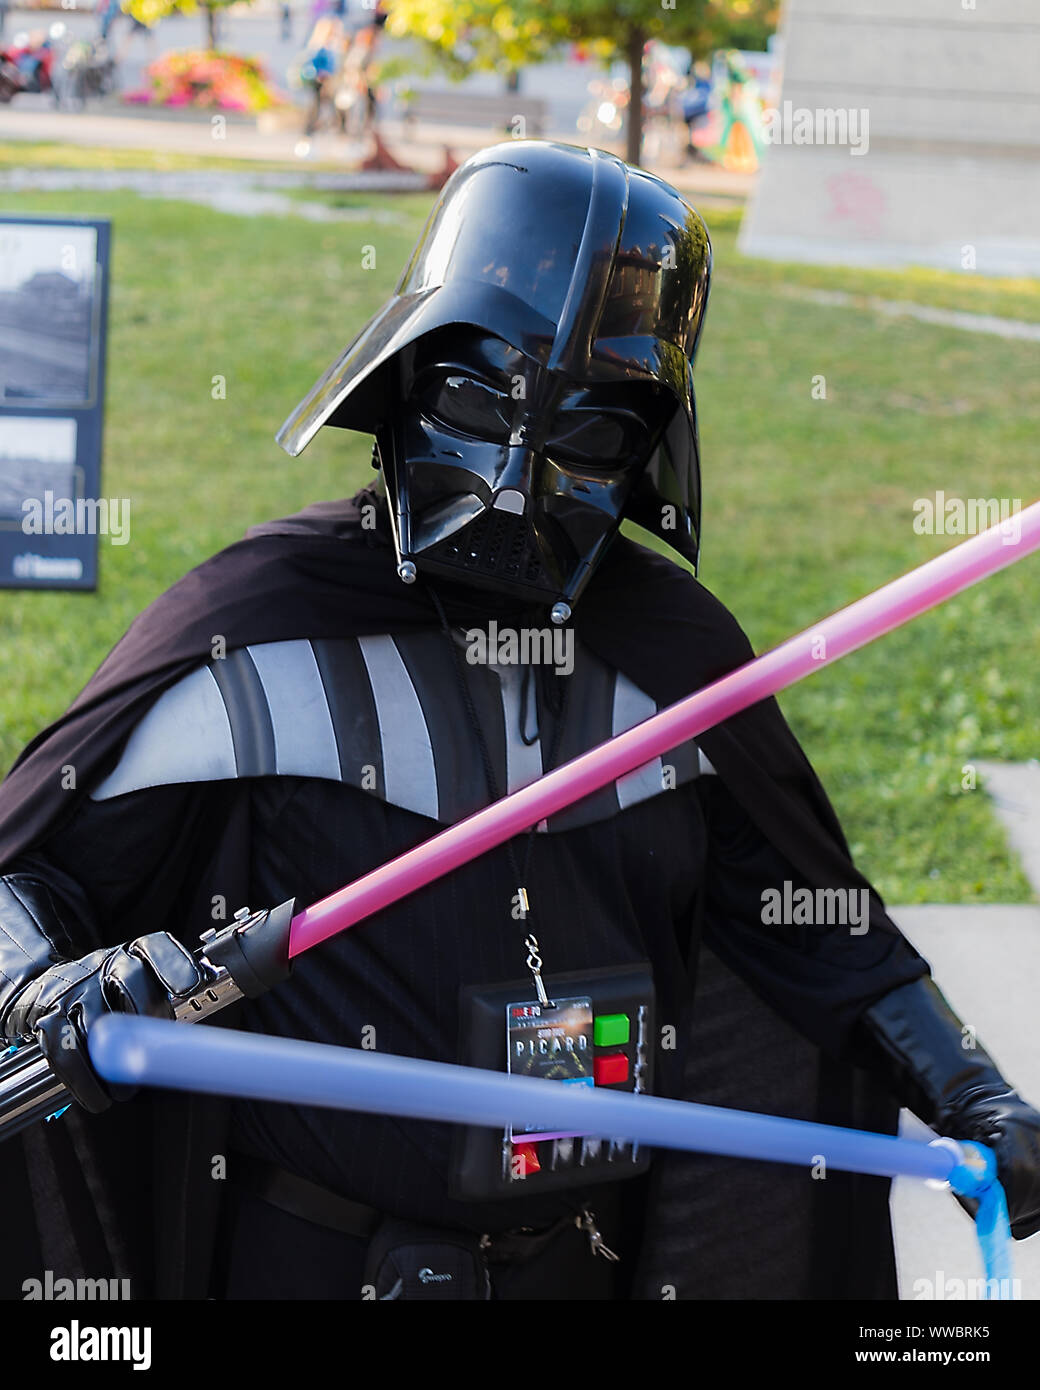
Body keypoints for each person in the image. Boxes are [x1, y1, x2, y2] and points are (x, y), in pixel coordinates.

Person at [0, 141, 1038, 1302]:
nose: (514, 479)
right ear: (399, 378)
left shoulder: (676, 662)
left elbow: (817, 933)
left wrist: (967, 1088)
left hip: (576, 1258)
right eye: (471, 399)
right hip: (311, 1258)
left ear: (649, 448)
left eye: (589, 436)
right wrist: (49, 982)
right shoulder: (256, 626)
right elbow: (33, 874)